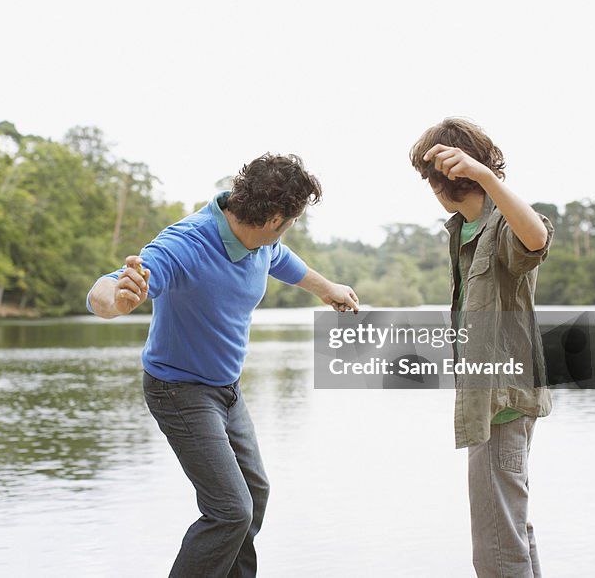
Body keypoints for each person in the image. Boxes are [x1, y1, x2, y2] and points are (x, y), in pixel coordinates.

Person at [87, 153, 359, 578]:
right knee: (230, 511)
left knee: (254, 494)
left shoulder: (261, 244)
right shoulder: (187, 243)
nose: (289, 229)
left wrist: (328, 290)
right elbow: (105, 288)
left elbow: (284, 262)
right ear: (273, 218)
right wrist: (118, 301)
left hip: (226, 391)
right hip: (179, 391)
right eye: (292, 220)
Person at [409, 118, 553, 578]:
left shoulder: (503, 224)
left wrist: (487, 177)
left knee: (495, 543)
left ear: (442, 181)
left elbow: (537, 239)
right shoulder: (464, 231)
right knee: (509, 527)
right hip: (489, 400)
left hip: (502, 403)